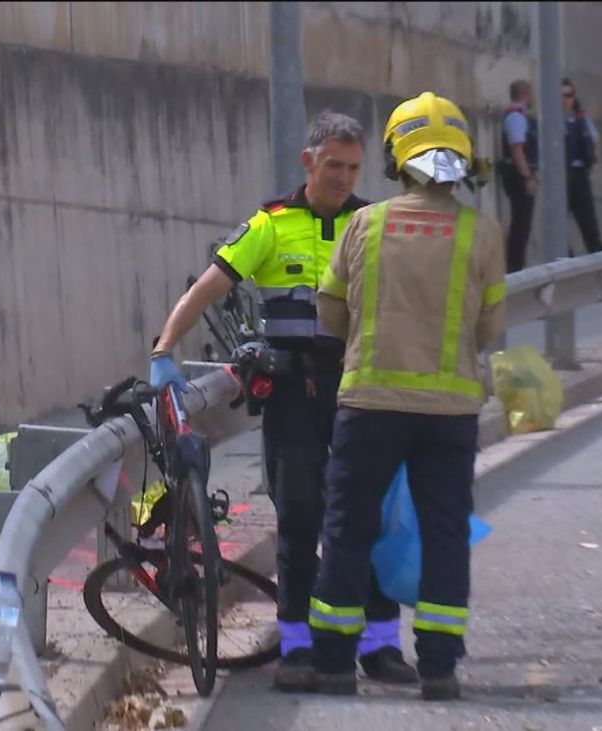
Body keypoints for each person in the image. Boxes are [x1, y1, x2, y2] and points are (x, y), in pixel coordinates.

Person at [147, 111, 416, 691]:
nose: (344, 177)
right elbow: (209, 286)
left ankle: (380, 647)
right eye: (333, 166)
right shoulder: (271, 224)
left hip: (359, 391)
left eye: (353, 167)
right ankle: (297, 650)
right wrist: (164, 349)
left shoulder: (370, 223)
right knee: (298, 523)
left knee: (364, 522)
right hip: (296, 394)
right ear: (308, 162)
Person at [308, 91, 507, 699]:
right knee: (444, 532)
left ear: (399, 157)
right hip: (449, 413)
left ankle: (336, 665)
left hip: (369, 406)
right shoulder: (482, 232)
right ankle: (440, 667)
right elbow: (490, 328)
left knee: (347, 529)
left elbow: (328, 310)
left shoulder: (367, 224)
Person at [562, 78, 602, 256]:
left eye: (568, 94)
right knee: (558, 221)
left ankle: (596, 250)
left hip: (579, 174)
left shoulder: (581, 117)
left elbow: (596, 139)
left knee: (587, 217)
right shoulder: (551, 118)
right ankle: (564, 254)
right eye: (561, 95)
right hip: (561, 176)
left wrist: (594, 158)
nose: (565, 99)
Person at [498, 79, 538, 273]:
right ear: (525, 92)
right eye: (531, 93)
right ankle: (515, 266)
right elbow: (517, 149)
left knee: (521, 221)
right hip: (518, 175)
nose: (533, 97)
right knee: (521, 222)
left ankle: (515, 264)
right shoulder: (516, 117)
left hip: (517, 173)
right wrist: (527, 177)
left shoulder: (519, 116)